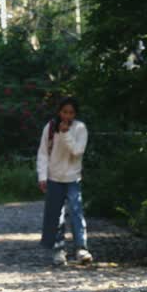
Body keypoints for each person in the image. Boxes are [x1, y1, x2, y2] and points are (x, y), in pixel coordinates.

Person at [36, 97, 93, 266]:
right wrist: (42, 176)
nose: (67, 115)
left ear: (75, 114)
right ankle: (59, 250)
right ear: (59, 112)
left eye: (71, 112)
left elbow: (77, 151)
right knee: (56, 215)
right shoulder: (50, 127)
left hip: (73, 177)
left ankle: (81, 248)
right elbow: (43, 153)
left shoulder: (80, 128)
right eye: (64, 112)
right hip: (54, 177)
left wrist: (66, 133)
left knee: (76, 211)